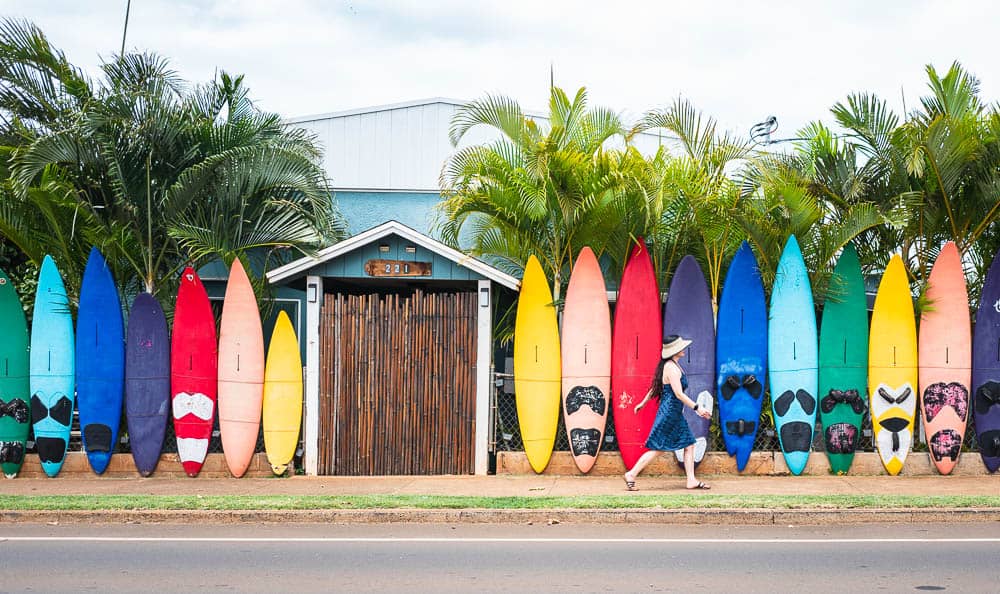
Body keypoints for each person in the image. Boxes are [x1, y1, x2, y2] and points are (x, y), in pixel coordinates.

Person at [623, 334, 712, 491]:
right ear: (674, 351)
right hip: (670, 413)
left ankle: (691, 480)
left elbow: (655, 388)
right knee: (658, 448)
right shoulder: (671, 367)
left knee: (689, 444)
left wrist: (642, 403)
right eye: (680, 347)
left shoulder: (673, 365)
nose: (684, 348)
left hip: (674, 413)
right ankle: (631, 473)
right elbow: (678, 394)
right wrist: (698, 408)